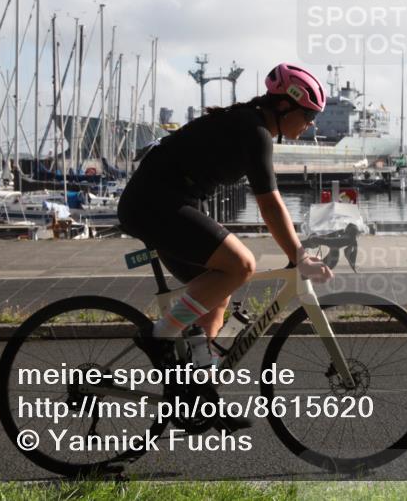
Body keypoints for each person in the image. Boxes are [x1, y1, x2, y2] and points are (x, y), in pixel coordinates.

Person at [118, 63, 335, 357]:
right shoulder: (254, 131)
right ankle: (160, 338)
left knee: (219, 290)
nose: (311, 123)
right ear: (284, 106)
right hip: (154, 203)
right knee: (242, 265)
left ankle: (197, 380)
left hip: (164, 201)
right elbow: (269, 203)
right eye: (309, 114)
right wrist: (299, 256)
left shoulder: (250, 125)